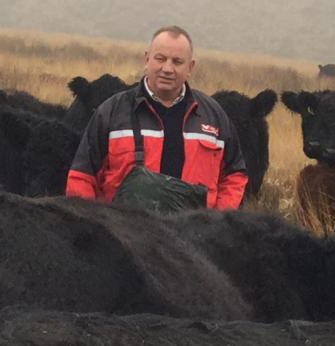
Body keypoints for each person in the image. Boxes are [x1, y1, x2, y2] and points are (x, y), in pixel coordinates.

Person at [66, 25, 248, 209]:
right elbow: (82, 177)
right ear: (147, 59)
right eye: (160, 59)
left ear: (190, 67)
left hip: (195, 235)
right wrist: (94, 227)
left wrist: (219, 224)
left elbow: (235, 176)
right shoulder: (111, 113)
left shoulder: (214, 116)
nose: (167, 68)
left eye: (177, 62)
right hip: (124, 234)